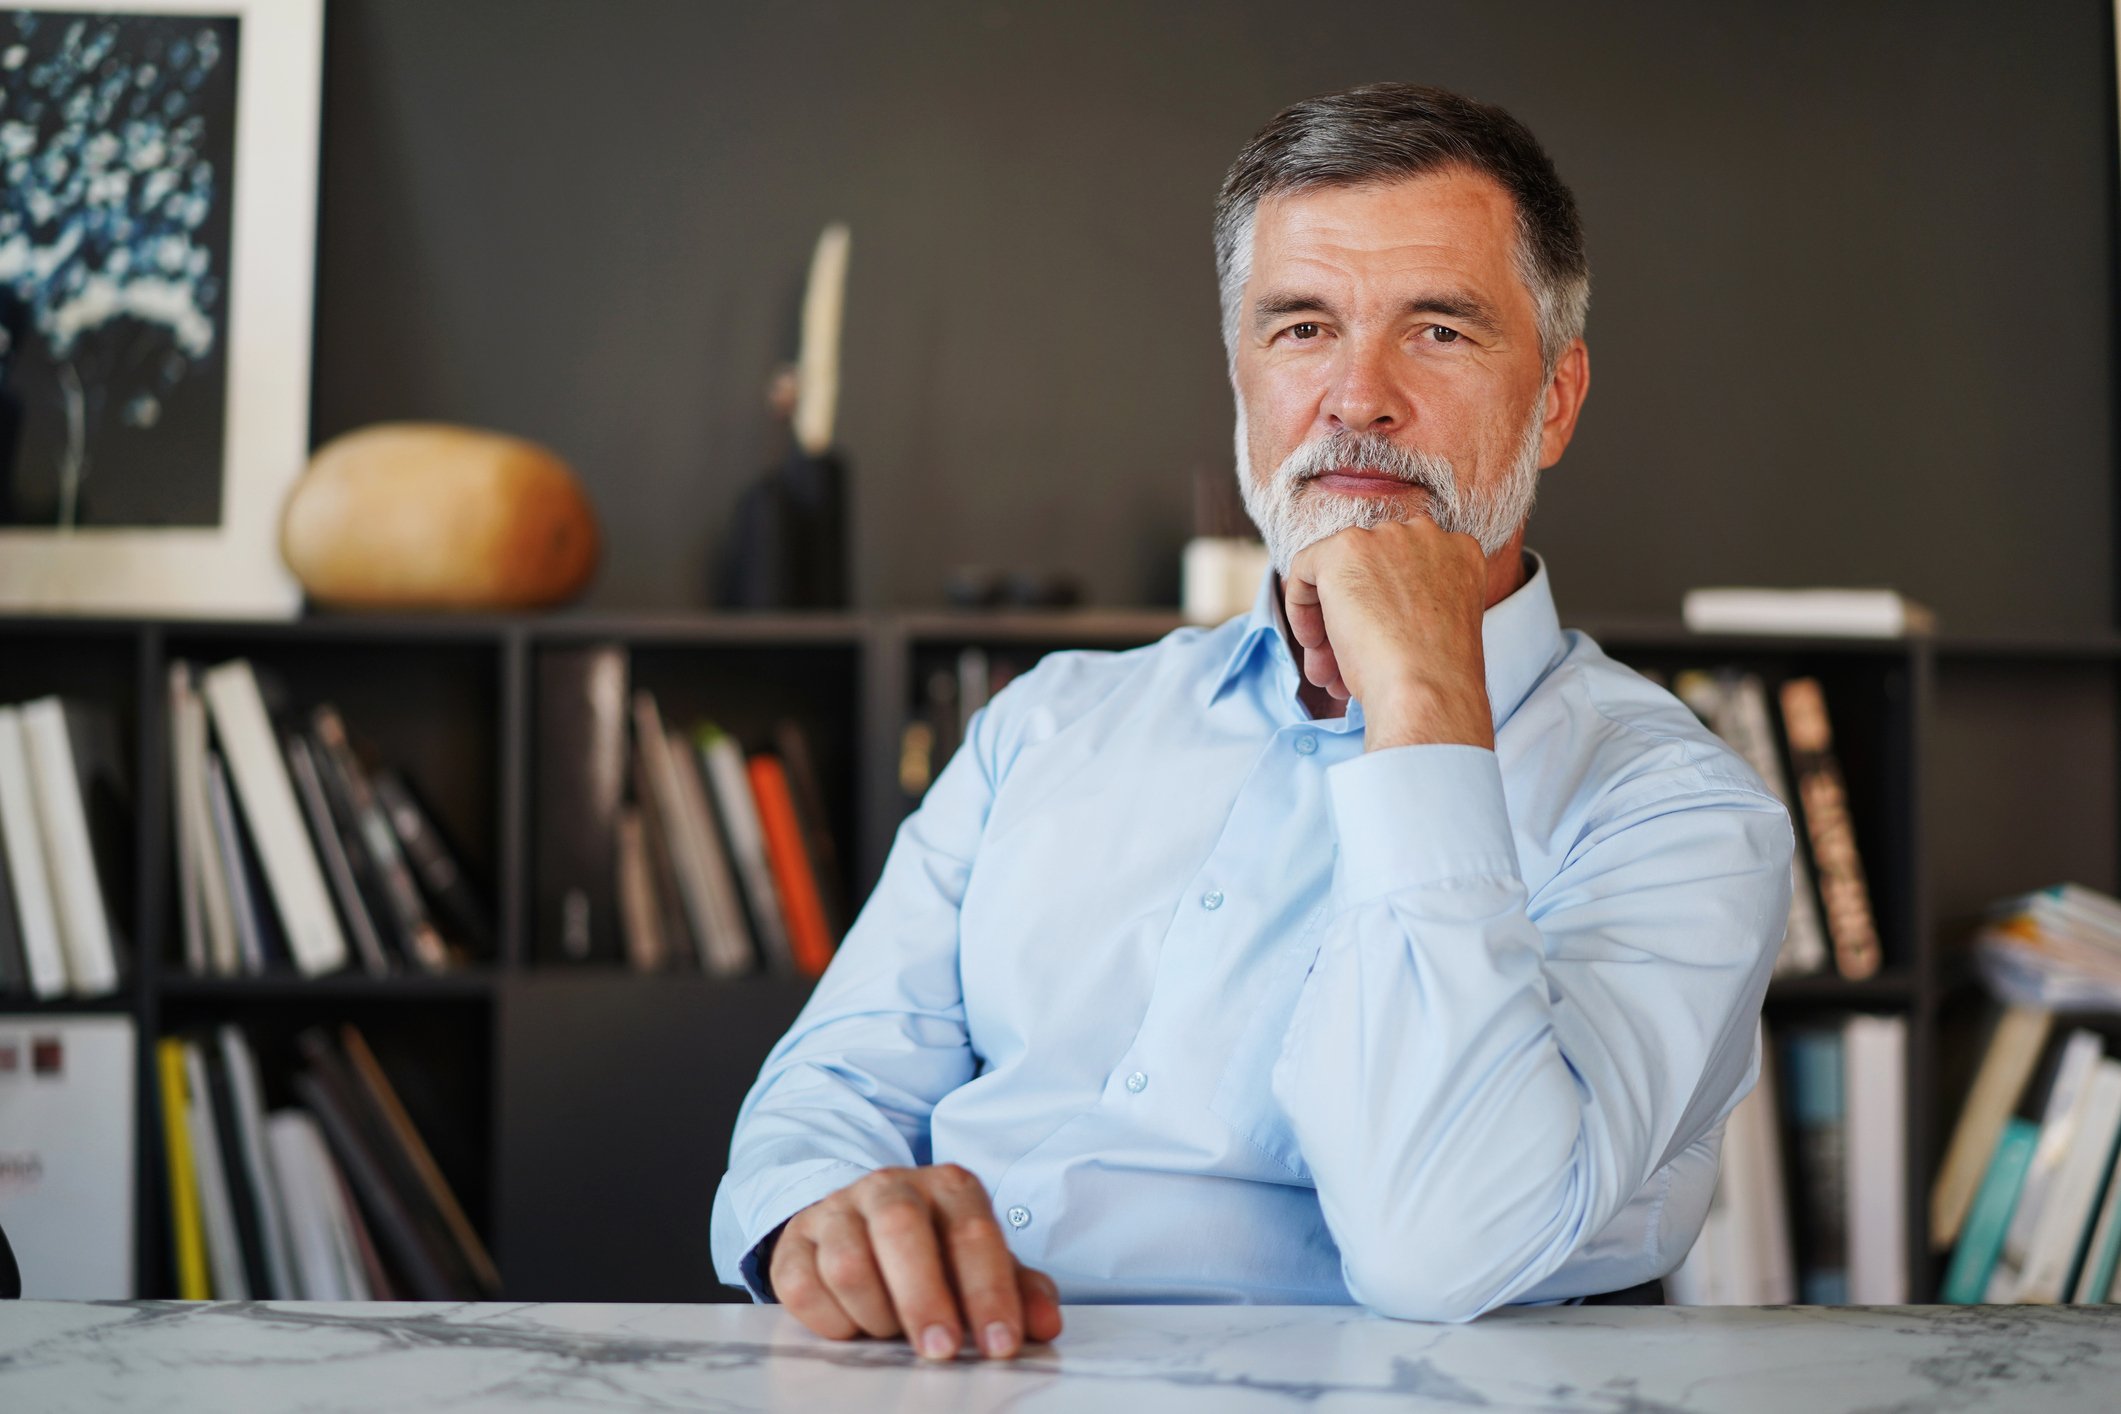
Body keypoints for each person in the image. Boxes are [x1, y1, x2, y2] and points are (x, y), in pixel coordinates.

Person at [710, 82, 1793, 1360]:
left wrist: (1430, 704)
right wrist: (828, 1217)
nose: (1356, 398)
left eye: (1437, 331)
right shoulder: (1048, 724)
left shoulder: (1684, 817)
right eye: (1301, 329)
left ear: (1553, 400)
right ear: (1240, 377)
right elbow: (827, 1092)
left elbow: (1440, 1245)